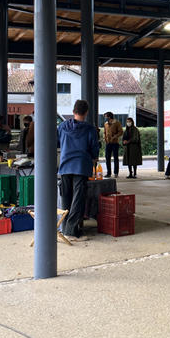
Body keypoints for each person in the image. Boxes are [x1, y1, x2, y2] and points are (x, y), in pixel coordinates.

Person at [57, 100, 99, 241]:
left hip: (65, 166)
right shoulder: (90, 129)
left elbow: (57, 142)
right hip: (81, 166)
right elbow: (94, 149)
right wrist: (93, 157)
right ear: (86, 112)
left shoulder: (62, 126)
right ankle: (71, 232)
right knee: (78, 200)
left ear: (73, 111)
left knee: (66, 198)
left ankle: (65, 229)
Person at [103, 112, 123, 178]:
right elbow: (104, 132)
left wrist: (115, 136)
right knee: (107, 158)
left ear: (109, 117)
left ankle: (116, 173)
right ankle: (108, 173)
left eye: (106, 116)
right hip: (108, 143)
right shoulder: (106, 124)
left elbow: (121, 132)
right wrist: (104, 138)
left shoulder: (117, 123)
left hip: (115, 143)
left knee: (115, 158)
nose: (105, 118)